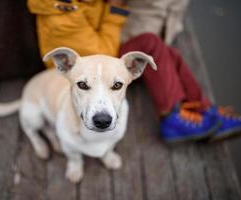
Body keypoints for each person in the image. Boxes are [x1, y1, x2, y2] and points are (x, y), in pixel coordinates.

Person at [27, 0, 241, 142]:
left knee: (166, 52)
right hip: (92, 66)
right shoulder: (61, 14)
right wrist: (116, 9)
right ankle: (173, 116)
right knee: (151, 44)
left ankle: (200, 107)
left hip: (98, 55)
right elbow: (104, 56)